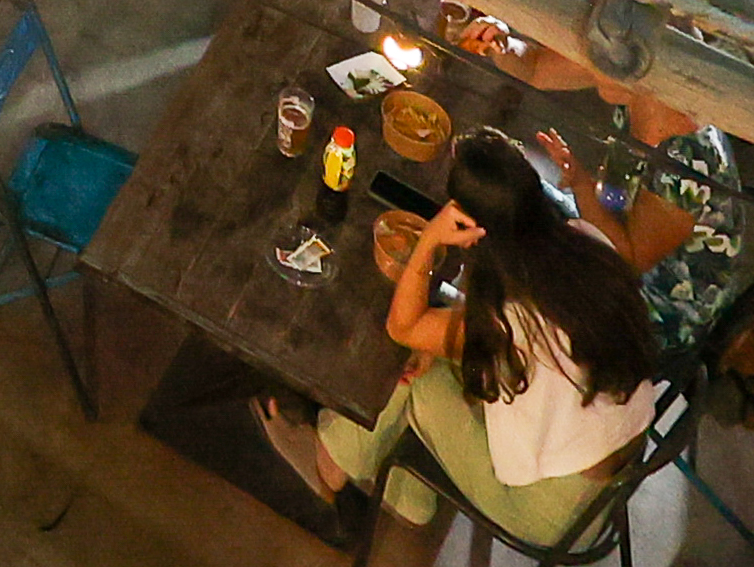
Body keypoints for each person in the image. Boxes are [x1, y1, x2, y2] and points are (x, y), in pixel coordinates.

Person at [253, 131, 664, 562]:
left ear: (470, 224)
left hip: (551, 513)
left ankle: (330, 468)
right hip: (616, 461)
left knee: (413, 371)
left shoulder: (509, 322)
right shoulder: (582, 242)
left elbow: (403, 327)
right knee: (430, 352)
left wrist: (430, 240)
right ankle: (408, 494)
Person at [520, 46, 741, 362]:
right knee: (522, 193)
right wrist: (496, 41)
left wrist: (581, 183)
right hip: (619, 235)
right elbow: (536, 69)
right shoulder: (640, 98)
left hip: (664, 303)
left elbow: (628, 260)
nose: (595, 69)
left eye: (606, 63)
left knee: (537, 301)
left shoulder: (687, 161)